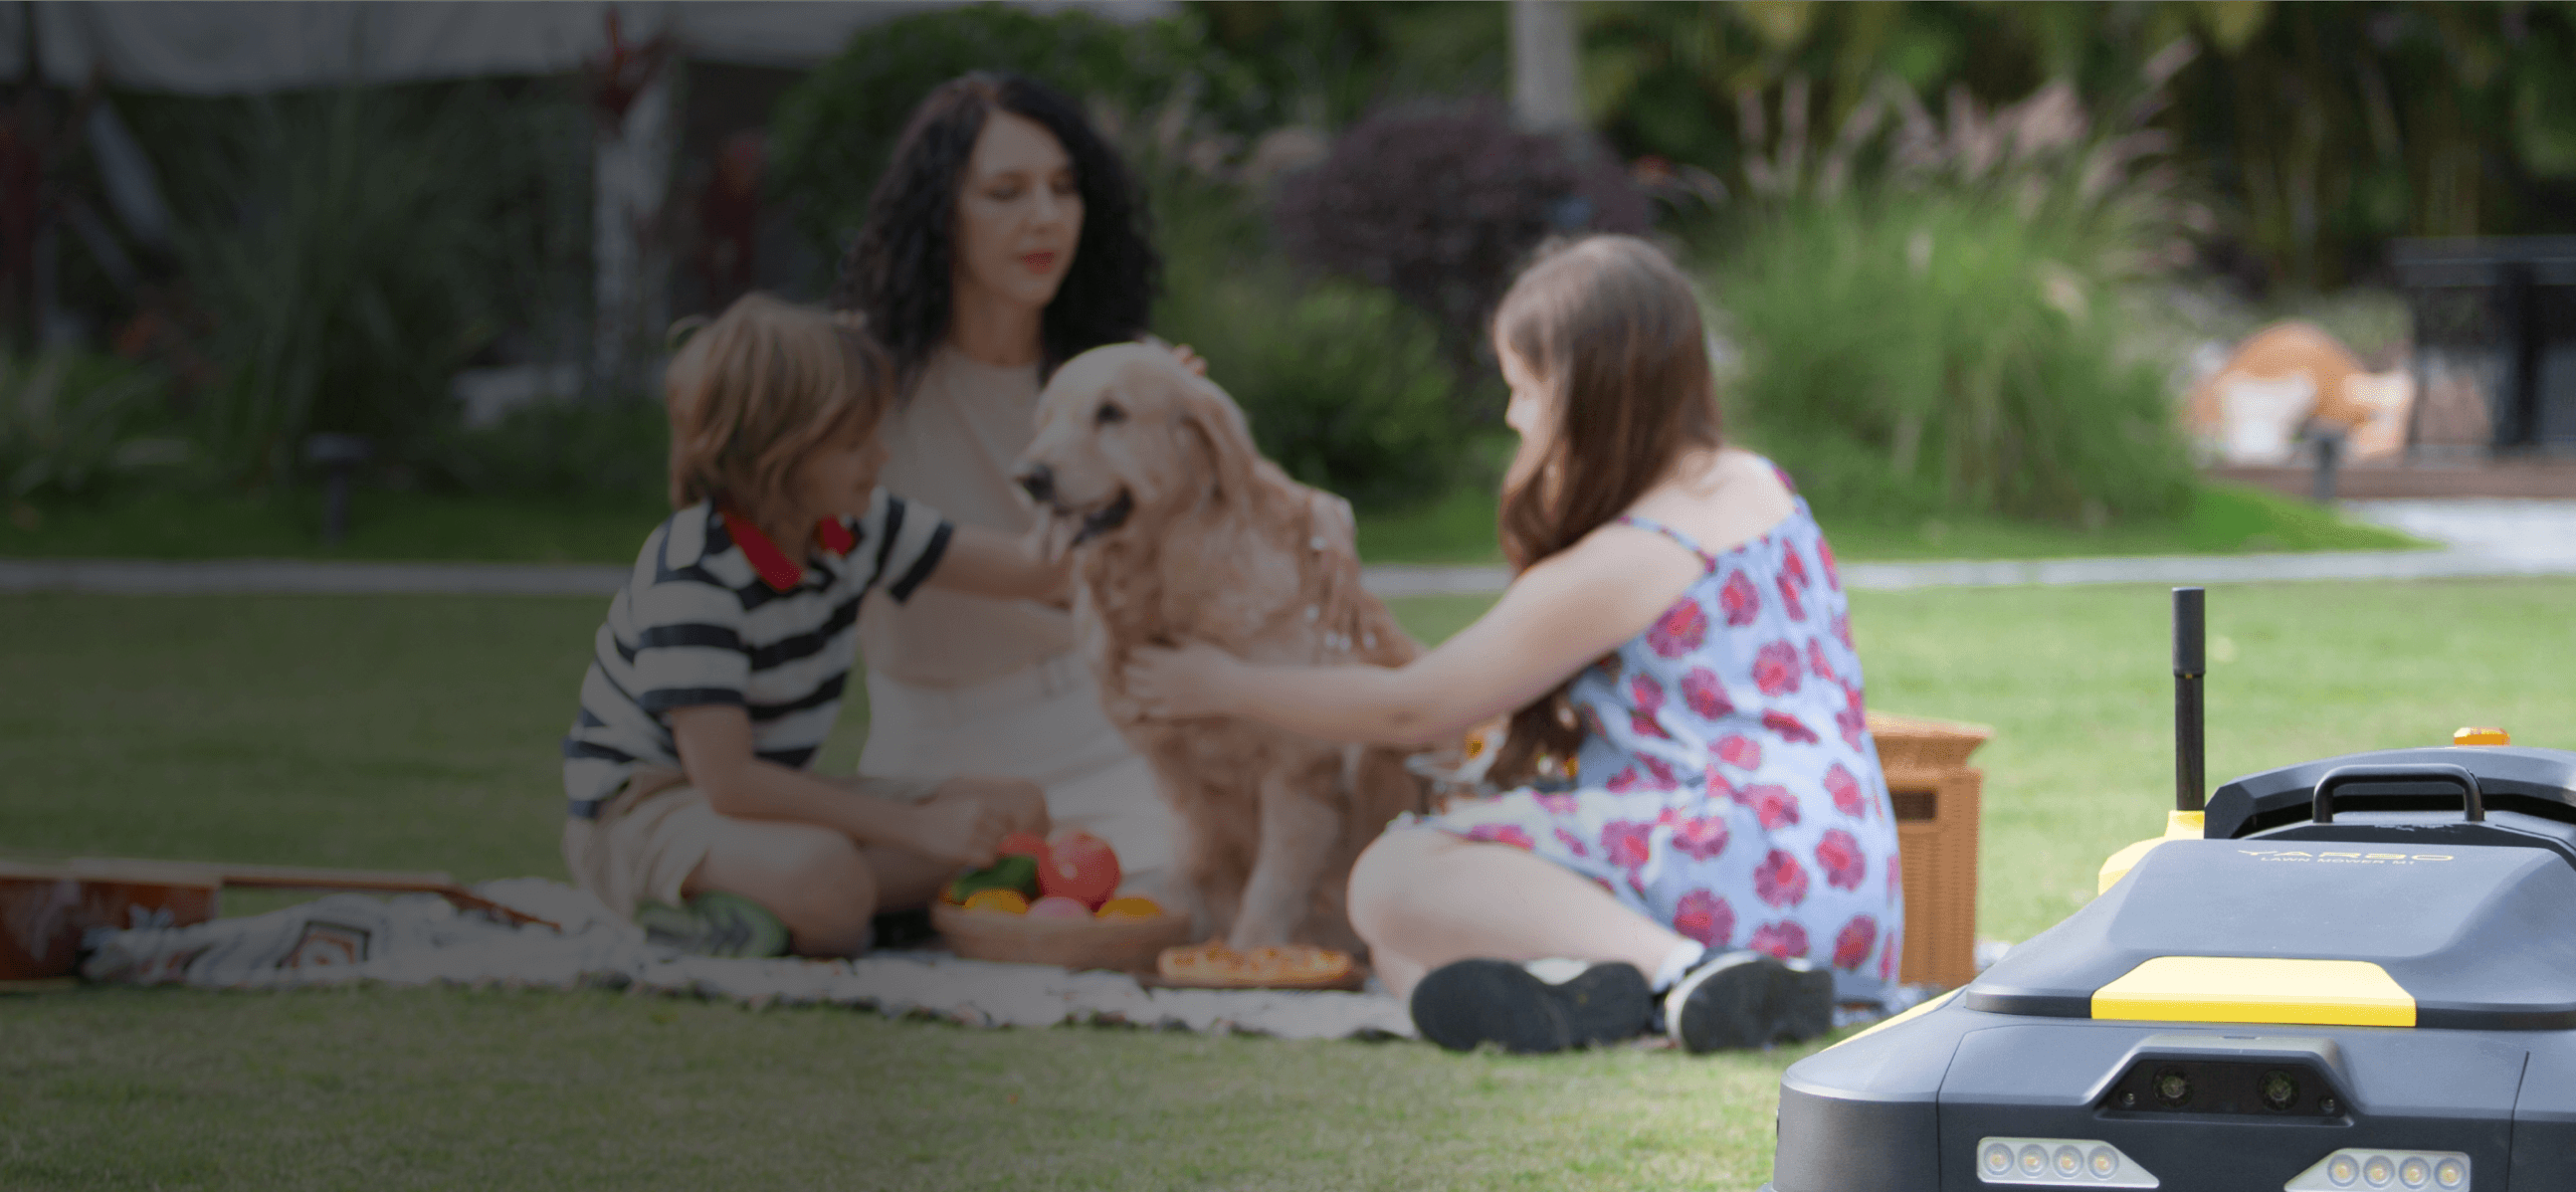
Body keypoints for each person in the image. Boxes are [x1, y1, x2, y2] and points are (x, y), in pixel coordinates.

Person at [1120, 237, 1898, 1055]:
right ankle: (1621, 997)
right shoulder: (1753, 482)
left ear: (1584, 392)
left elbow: (1413, 708)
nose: (1513, 417)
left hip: (1742, 860)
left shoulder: (1633, 553)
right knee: (1407, 945)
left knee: (1392, 880)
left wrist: (1223, 683)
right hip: (1845, 880)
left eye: (1523, 390)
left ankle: (1689, 973)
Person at [559, 295, 1074, 958]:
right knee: (823, 872)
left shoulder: (853, 528)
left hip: (768, 807)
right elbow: (728, 781)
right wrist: (917, 828)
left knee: (1017, 812)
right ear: (778, 456)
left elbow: (1036, 570)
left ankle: (825, 917)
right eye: (855, 444)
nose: (881, 456)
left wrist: (1128, 440)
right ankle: (727, 915)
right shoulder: (693, 571)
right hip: (645, 815)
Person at [832, 72, 1187, 911]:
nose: (1045, 219)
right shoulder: (853, 378)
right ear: (939, 214)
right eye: (1005, 192)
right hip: (934, 749)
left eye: (1065, 190)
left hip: (1104, 725)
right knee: (843, 897)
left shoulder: (1127, 369)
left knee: (1183, 895)